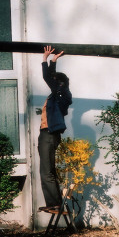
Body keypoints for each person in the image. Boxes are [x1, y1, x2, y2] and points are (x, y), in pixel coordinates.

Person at [38, 45, 72, 211]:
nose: (52, 82)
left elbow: (48, 77)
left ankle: (54, 203)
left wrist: (46, 59)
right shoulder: (58, 95)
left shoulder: (61, 94)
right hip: (48, 134)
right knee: (48, 169)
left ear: (60, 83)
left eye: (55, 81)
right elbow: (52, 78)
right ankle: (55, 203)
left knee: (46, 171)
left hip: (49, 134)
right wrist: (54, 60)